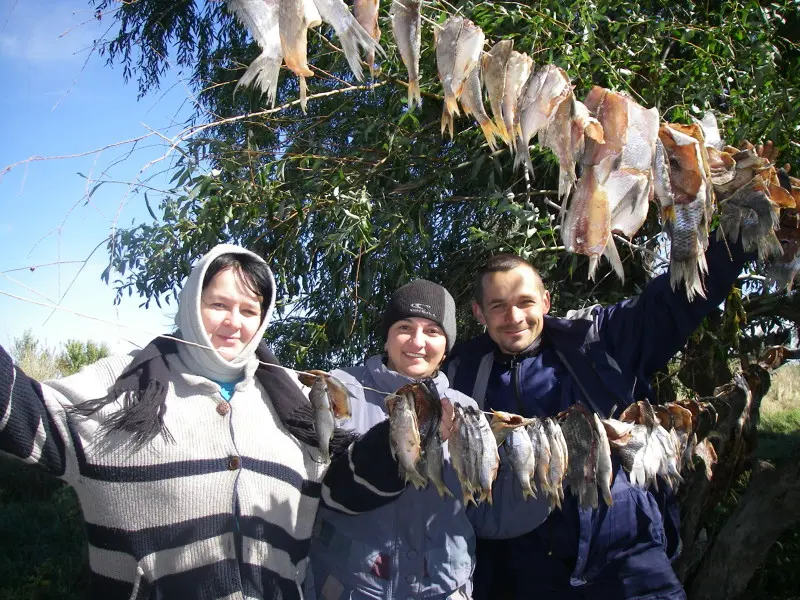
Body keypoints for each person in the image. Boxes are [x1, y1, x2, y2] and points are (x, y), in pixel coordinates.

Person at [0, 244, 386, 600]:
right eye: (219, 304)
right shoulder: (122, 386)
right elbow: (30, 416)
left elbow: (339, 491)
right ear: (190, 303)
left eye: (250, 311)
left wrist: (400, 445)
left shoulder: (295, 402)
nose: (234, 322)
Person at [444, 232, 754, 600]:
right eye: (498, 306)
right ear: (478, 312)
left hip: (623, 552)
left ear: (545, 302)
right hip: (516, 566)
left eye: (525, 302)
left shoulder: (595, 339)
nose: (514, 318)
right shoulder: (459, 371)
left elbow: (673, 301)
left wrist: (740, 235)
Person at [307, 279, 552, 600]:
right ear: (387, 338)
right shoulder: (340, 389)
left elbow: (484, 513)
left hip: (445, 589)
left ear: (446, 346)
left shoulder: (466, 408)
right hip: (353, 587)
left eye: (433, 331)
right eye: (405, 327)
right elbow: (319, 487)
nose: (418, 341)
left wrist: (544, 479)